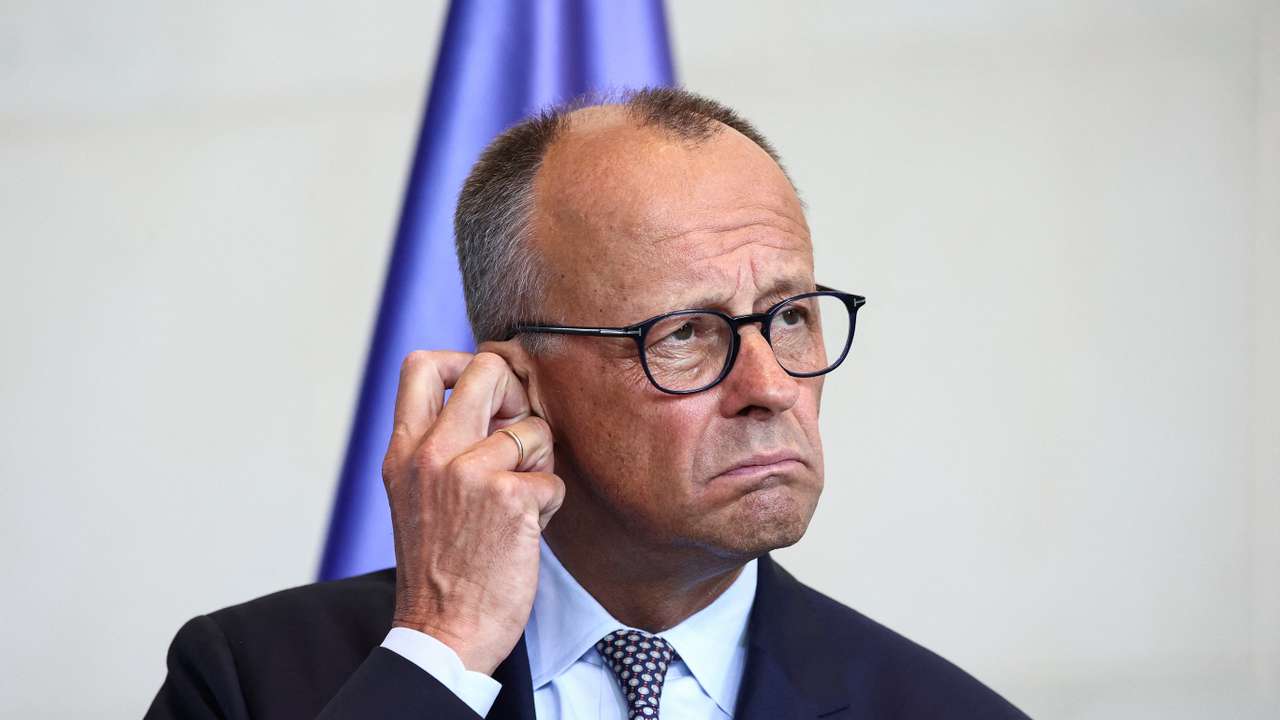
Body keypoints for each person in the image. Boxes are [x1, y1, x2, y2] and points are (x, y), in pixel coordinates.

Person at [145, 88, 1028, 719]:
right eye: (686, 333)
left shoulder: (945, 708)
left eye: (790, 317)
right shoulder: (247, 683)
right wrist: (441, 653)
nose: (770, 388)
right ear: (515, 383)